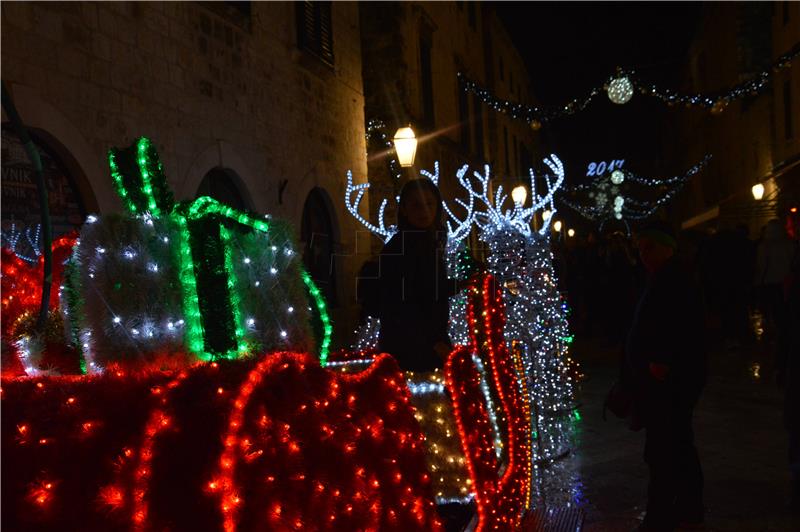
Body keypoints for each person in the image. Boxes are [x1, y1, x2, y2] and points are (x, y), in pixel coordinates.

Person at [625, 220, 707, 531]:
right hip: (663, 379)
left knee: (666, 447)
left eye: (650, 248)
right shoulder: (660, 277)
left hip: (669, 382)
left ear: (667, 248)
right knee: (674, 445)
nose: (644, 254)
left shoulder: (675, 279)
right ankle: (686, 507)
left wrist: (662, 361)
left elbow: (681, 328)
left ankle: (665, 512)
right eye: (641, 248)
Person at [377, 178, 454, 372]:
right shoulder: (397, 248)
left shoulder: (431, 242)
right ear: (404, 208)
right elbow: (400, 303)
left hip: (432, 345)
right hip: (410, 349)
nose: (424, 211)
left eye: (429, 203)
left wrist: (460, 284)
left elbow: (428, 289)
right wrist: (435, 342)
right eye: (416, 205)